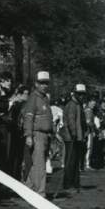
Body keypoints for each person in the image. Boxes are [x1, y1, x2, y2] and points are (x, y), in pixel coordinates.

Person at [22, 70, 55, 198]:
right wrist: (29, 135)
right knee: (39, 165)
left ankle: (29, 189)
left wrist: (52, 132)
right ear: (36, 84)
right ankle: (40, 193)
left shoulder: (45, 98)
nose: (44, 85)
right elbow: (28, 118)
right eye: (41, 83)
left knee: (36, 163)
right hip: (37, 134)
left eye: (46, 83)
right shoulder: (33, 98)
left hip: (45, 135)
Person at [60, 84, 88, 194]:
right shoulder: (72, 105)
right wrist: (74, 133)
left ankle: (75, 183)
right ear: (75, 94)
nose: (81, 96)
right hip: (71, 137)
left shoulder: (78, 105)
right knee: (70, 161)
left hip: (77, 137)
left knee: (76, 161)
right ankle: (68, 184)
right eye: (79, 94)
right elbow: (71, 121)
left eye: (83, 94)